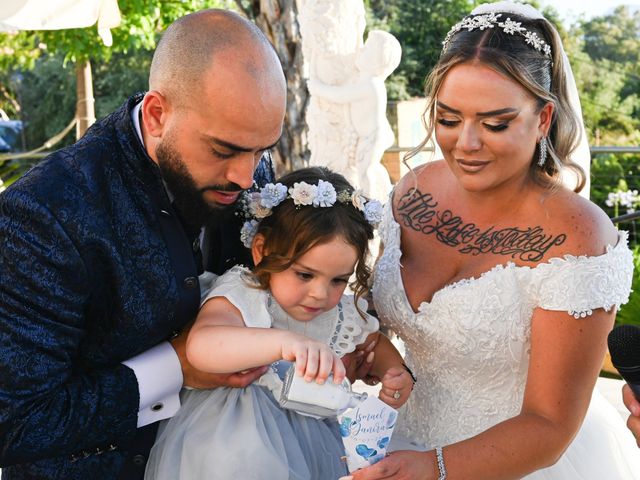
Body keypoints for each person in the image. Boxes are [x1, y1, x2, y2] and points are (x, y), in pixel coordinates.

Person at [350, 2, 640, 479]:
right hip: (397, 439)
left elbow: (548, 424)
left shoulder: (580, 237)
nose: (465, 143)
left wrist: (433, 469)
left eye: (495, 123)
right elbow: (378, 321)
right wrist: (358, 349)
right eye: (447, 118)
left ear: (543, 119)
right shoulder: (411, 190)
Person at [0, 9, 288, 480]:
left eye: (261, 149)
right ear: (157, 115)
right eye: (224, 150)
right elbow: (13, 422)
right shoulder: (44, 213)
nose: (246, 175)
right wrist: (178, 365)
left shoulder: (250, 169)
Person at [144, 167, 414, 479]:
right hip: (240, 436)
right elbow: (202, 346)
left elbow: (372, 344)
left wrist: (394, 371)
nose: (320, 293)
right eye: (304, 274)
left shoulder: (339, 311)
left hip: (318, 434)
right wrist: (283, 343)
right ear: (261, 250)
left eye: (339, 279)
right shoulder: (246, 292)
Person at [307, 30, 402, 202]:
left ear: (377, 62)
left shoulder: (370, 84)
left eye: (366, 49)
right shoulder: (364, 81)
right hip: (369, 136)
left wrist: (318, 88)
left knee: (365, 171)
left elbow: (340, 95)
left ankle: (372, 204)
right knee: (370, 168)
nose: (360, 51)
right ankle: (385, 195)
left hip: (371, 137)